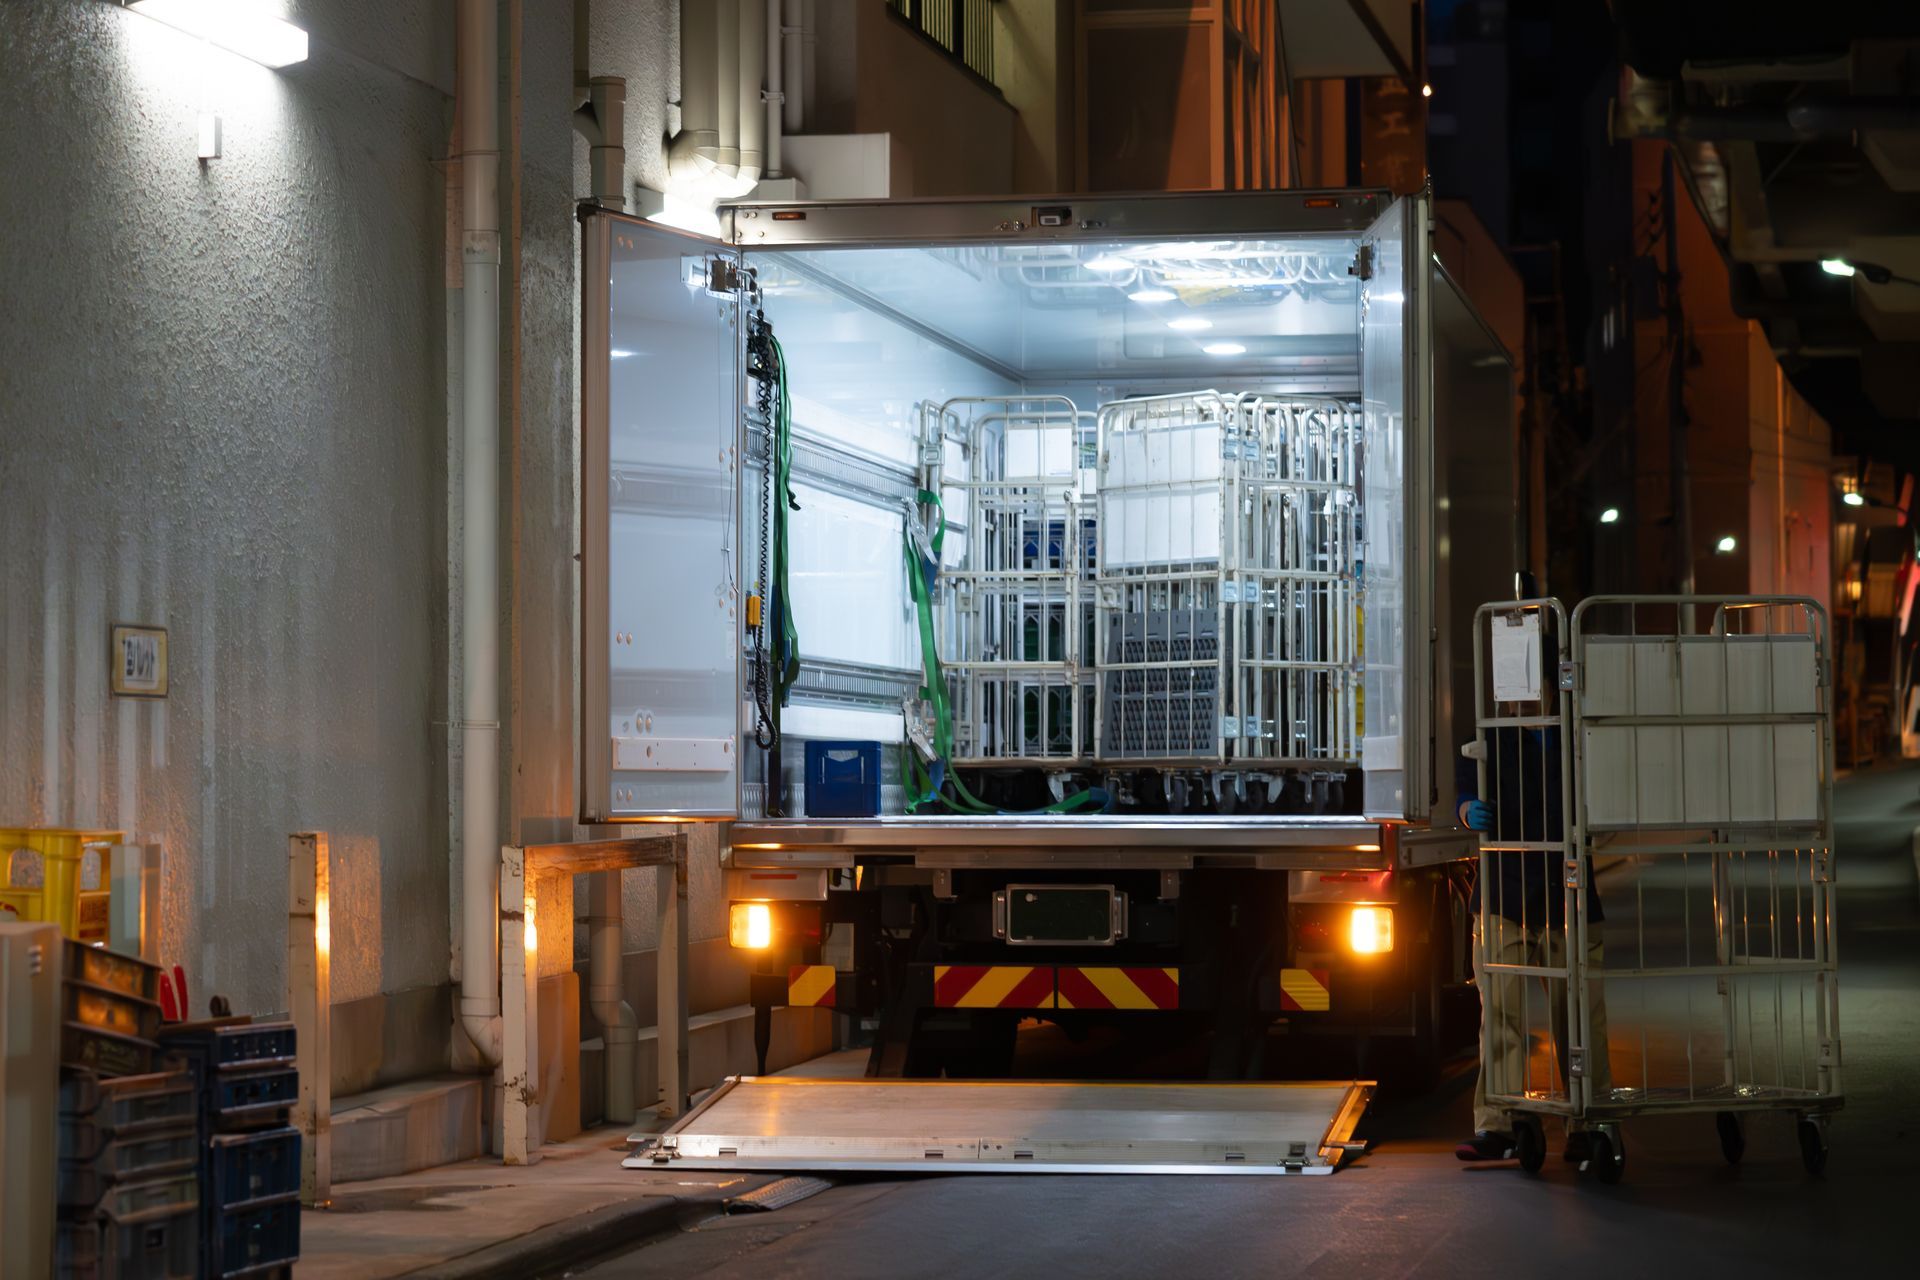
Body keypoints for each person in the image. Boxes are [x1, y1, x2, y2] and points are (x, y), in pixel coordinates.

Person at [1454, 688, 1611, 1163]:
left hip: (1569, 895)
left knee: (1580, 1015)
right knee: (1499, 1016)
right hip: (1505, 894)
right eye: (1516, 693)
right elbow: (1464, 794)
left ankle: (1589, 1117)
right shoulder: (1488, 741)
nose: (1525, 702)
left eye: (1536, 691)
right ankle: (1498, 1124)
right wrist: (1466, 811)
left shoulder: (1579, 742)